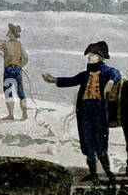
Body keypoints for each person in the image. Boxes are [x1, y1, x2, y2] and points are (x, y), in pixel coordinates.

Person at [43, 41, 121, 181]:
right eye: (89, 55)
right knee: (88, 141)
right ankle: (93, 174)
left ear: (100, 57)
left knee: (100, 142)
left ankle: (108, 172)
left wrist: (111, 82)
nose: (89, 57)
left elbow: (117, 74)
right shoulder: (85, 74)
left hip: (98, 111)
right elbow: (70, 80)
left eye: (92, 55)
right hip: (84, 111)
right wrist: (54, 80)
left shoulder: (107, 72)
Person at [0, 22, 28, 120]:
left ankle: (11, 115)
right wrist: (20, 66)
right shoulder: (20, 45)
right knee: (21, 92)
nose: (7, 33)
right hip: (18, 70)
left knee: (8, 92)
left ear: (12, 33)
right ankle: (25, 114)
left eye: (8, 31)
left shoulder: (6, 44)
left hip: (9, 70)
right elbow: (25, 58)